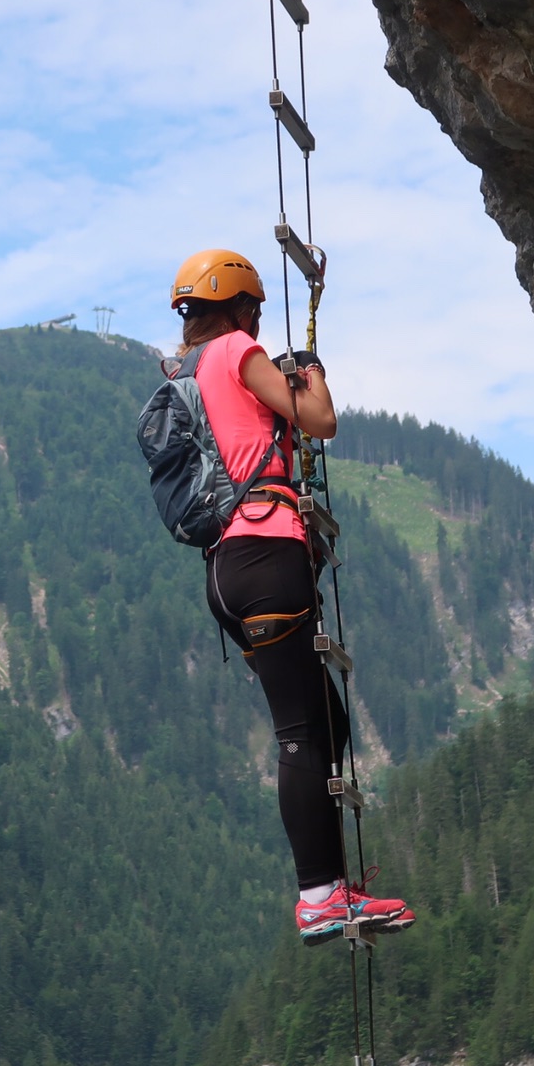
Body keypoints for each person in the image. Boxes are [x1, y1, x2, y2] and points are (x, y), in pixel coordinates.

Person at [167, 249, 413, 945]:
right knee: (304, 734)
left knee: (324, 723)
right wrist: (309, 369)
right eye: (255, 308)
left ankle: (332, 890)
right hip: (267, 555)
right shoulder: (236, 350)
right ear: (242, 307)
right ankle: (320, 899)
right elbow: (319, 418)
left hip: (228, 569)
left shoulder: (185, 371)